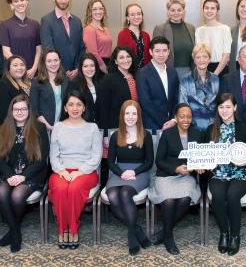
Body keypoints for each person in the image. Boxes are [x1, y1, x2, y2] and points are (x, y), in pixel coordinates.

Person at [49, 90, 102, 249]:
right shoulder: (58, 127)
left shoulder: (92, 128)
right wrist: (61, 170)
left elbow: (96, 156)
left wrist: (81, 171)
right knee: (60, 187)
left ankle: (73, 229)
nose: (75, 108)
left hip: (86, 172)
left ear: (84, 107)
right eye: (71, 104)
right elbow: (53, 155)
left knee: (74, 188)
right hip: (62, 171)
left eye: (79, 104)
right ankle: (62, 229)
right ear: (65, 107)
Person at [148, 103, 203, 255]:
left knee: (186, 199)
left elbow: (202, 158)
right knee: (169, 200)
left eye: (189, 116)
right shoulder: (167, 134)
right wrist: (175, 169)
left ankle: (165, 232)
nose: (186, 119)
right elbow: (159, 161)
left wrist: (201, 166)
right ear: (176, 118)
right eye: (182, 116)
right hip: (167, 175)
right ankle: (169, 237)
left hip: (186, 177)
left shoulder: (197, 134)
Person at [205, 93, 246, 256]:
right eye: (221, 107)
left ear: (235, 107)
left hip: (241, 172)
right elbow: (206, 155)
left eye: (228, 107)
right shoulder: (211, 129)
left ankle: (235, 236)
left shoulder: (244, 128)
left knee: (233, 195)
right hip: (219, 173)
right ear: (217, 109)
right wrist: (203, 164)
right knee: (218, 195)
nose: (224, 111)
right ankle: (224, 233)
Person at [0, 94, 49, 253]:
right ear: (11, 111)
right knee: (1, 192)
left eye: (23, 109)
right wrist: (9, 175)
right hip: (9, 174)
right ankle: (15, 231)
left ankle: (13, 232)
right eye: (16, 109)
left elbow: (42, 160)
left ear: (29, 110)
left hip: (32, 174)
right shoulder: (4, 129)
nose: (19, 112)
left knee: (17, 196)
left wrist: (23, 176)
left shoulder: (39, 128)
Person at [106, 100, 153, 255]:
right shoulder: (115, 136)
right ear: (122, 115)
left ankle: (131, 235)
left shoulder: (145, 135)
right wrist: (121, 173)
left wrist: (134, 172)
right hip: (119, 171)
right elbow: (111, 162)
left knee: (125, 193)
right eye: (127, 113)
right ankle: (136, 229)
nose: (130, 117)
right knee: (112, 195)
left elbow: (149, 162)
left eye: (134, 113)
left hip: (140, 172)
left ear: (138, 116)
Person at [40, 0, 85, 79]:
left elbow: (81, 47)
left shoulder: (77, 21)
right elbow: (48, 49)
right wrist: (62, 70)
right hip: (56, 74)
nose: (63, 1)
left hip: (76, 74)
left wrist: (77, 68)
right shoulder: (46, 20)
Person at [136, 36, 179, 134]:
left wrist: (173, 120)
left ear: (169, 52)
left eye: (164, 51)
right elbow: (146, 103)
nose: (161, 54)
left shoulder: (173, 72)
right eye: (157, 51)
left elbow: (177, 98)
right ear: (151, 52)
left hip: (172, 125)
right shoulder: (142, 73)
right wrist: (164, 122)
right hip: (152, 126)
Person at [0, 0, 41, 78]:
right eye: (16, 1)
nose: (20, 3)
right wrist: (20, 69)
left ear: (27, 2)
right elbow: (6, 52)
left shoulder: (35, 24)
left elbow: (38, 49)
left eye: (22, 0)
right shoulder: (5, 25)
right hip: (14, 73)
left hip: (33, 72)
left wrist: (34, 68)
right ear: (11, 5)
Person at [179, 43, 219, 132]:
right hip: (193, 127)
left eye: (205, 56)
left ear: (209, 59)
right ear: (194, 60)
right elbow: (183, 105)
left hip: (213, 128)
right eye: (198, 57)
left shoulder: (216, 79)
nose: (202, 60)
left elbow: (218, 105)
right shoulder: (185, 79)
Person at [153, 0, 195, 77]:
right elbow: (156, 53)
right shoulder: (160, 29)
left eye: (179, 10)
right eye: (172, 10)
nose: (176, 13)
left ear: (183, 11)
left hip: (190, 73)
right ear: (168, 12)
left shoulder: (191, 28)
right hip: (168, 72)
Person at [30, 49, 69, 132]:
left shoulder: (65, 80)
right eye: (49, 61)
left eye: (56, 60)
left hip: (62, 127)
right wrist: (46, 125)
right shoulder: (36, 82)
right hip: (43, 127)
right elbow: (34, 108)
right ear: (44, 63)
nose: (53, 64)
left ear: (60, 61)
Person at [195, 0, 232, 77]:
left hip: (221, 70)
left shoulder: (225, 29)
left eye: (212, 8)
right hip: (203, 70)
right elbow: (198, 54)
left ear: (217, 11)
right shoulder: (199, 30)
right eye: (206, 8)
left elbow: (226, 55)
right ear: (203, 10)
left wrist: (214, 75)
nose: (209, 11)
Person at [67, 53, 104, 125]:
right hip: (81, 127)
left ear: (96, 67)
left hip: (100, 127)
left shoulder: (101, 83)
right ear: (81, 68)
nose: (89, 69)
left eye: (92, 66)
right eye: (85, 66)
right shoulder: (74, 85)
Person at [117, 3, 151, 71]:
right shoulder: (122, 35)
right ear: (128, 18)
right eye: (132, 14)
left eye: (139, 14)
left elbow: (149, 57)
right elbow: (120, 57)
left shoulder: (146, 35)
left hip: (145, 72)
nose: (136, 17)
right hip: (130, 73)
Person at [83, 0, 112, 74]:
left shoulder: (105, 29)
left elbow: (109, 50)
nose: (98, 12)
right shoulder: (89, 29)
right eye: (94, 9)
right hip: (99, 67)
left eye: (100, 9)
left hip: (109, 63)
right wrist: (106, 70)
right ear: (90, 12)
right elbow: (93, 53)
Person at [0, 56, 31, 125]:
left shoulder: (30, 83)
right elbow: (3, 112)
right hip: (14, 127)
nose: (19, 68)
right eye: (15, 65)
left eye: (22, 65)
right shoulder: (3, 84)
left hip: (31, 125)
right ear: (8, 69)